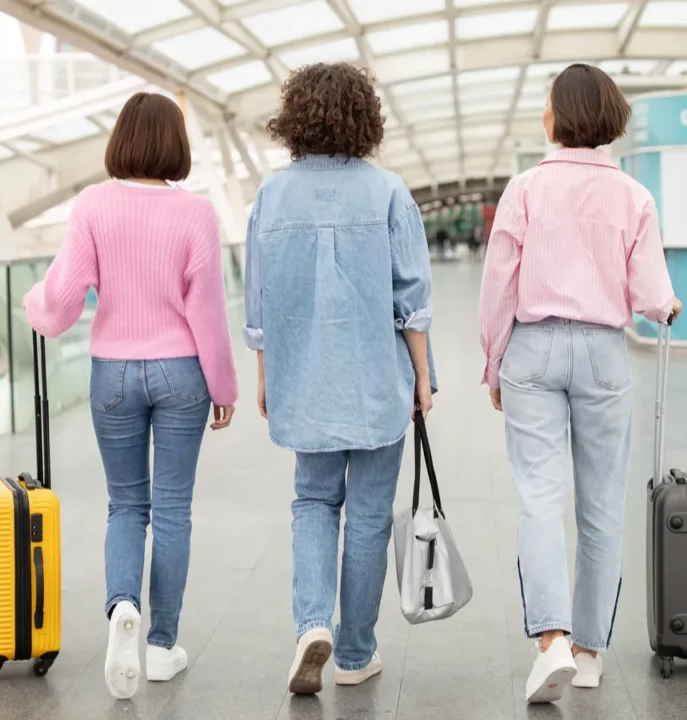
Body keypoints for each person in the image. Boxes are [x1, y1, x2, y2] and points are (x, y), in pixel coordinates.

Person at [478, 63, 682, 704]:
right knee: (600, 508)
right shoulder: (633, 197)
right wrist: (667, 306)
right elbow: (653, 295)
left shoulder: (525, 189)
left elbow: (498, 287)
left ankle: (553, 642)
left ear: (558, 117)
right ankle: (590, 653)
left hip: (533, 350)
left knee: (539, 497)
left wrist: (494, 363)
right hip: (602, 353)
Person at [24, 91, 238, 701]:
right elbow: (208, 311)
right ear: (177, 144)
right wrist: (223, 386)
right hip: (180, 374)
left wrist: (31, 305)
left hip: (112, 373)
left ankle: (123, 606)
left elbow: (62, 300)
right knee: (172, 510)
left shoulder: (93, 205)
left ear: (120, 140)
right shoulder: (196, 214)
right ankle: (164, 646)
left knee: (125, 507)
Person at [242, 62, 436, 696]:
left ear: (294, 117)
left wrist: (267, 375)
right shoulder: (387, 192)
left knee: (313, 502)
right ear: (366, 117)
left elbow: (260, 304)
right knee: (371, 515)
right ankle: (354, 653)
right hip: (380, 379)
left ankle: (311, 624)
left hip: (304, 379)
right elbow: (413, 298)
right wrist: (424, 378)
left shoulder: (271, 197)